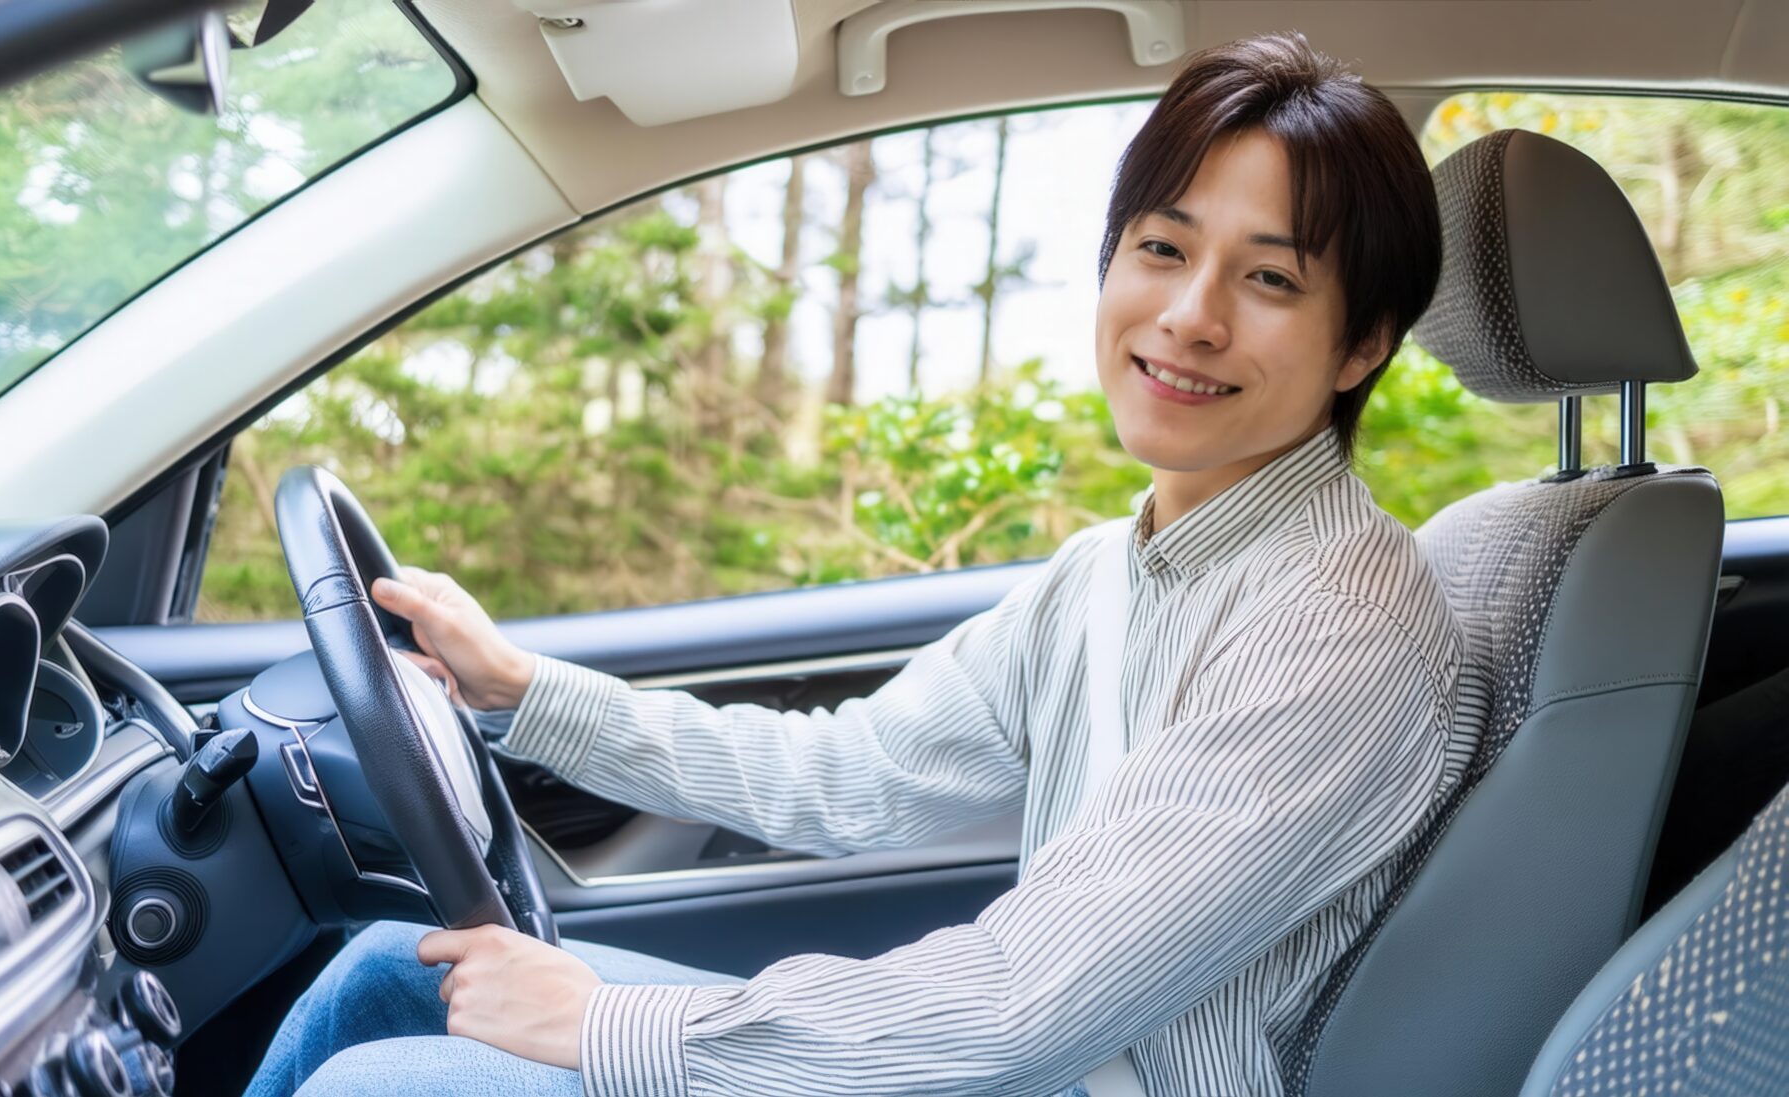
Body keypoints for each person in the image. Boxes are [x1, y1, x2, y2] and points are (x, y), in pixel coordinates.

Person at [246, 31, 1469, 1097]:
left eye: (1268, 279)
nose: (1190, 316)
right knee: (380, 976)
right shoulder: (1111, 567)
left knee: (387, 1080)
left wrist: (605, 1024)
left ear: (1360, 343)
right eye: (1161, 246)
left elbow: (1018, 1011)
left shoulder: (1336, 622)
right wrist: (523, 690)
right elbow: (853, 772)